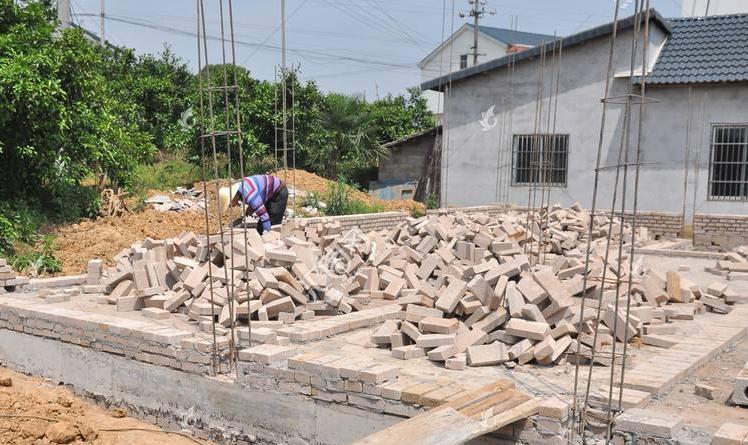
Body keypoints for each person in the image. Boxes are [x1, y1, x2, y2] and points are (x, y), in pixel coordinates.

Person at [218, 174, 288, 235]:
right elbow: (258, 194)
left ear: (232, 197)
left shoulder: (249, 195)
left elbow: (264, 216)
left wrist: (267, 234)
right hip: (269, 193)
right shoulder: (241, 189)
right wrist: (251, 207)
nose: (231, 207)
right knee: (260, 227)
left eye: (229, 204)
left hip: (279, 192)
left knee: (273, 224)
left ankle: (274, 244)